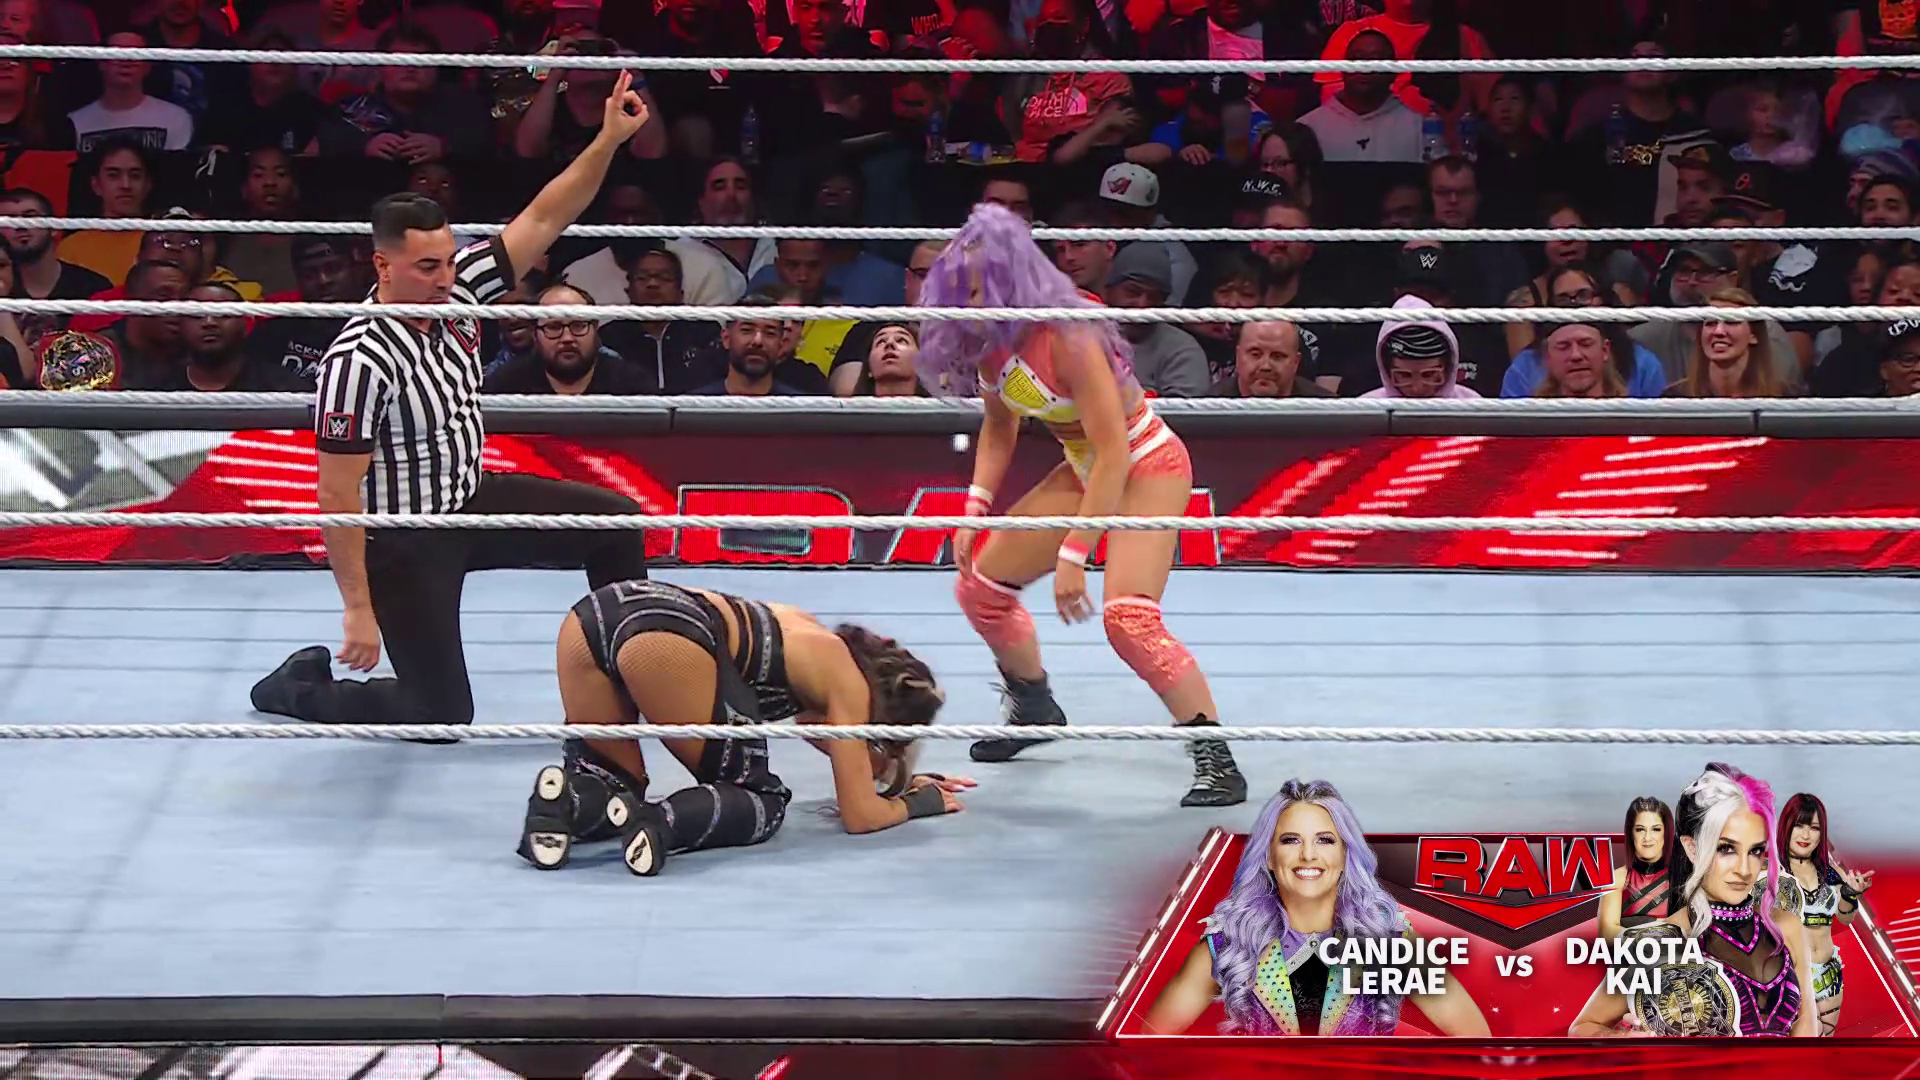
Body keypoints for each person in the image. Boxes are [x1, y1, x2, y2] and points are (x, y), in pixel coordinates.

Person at [249, 74, 657, 741]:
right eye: (427, 268)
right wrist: (357, 609)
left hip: (470, 498)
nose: (445, 279)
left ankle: (629, 674)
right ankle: (298, 688)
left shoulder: (460, 290)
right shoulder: (359, 360)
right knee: (437, 714)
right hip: (404, 539)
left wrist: (608, 139)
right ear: (382, 266)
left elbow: (545, 217)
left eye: (446, 261)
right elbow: (336, 493)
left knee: (614, 523)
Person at [914, 202, 1246, 809]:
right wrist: (975, 505)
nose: (967, 305)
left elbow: (1115, 455)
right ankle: (1033, 705)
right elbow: (999, 426)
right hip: (1085, 466)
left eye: (978, 291)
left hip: (1145, 462)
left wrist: (1074, 553)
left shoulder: (1070, 334)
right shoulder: (991, 341)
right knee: (979, 585)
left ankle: (1215, 758)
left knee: (1129, 620)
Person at [520, 580, 969, 876]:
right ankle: (659, 823)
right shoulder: (850, 685)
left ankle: (562, 803)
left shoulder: (814, 638)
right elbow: (861, 815)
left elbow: (838, 748)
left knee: (615, 784)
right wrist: (917, 804)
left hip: (596, 616)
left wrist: (897, 778)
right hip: (669, 635)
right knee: (761, 800)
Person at [1144, 780, 1491, 1036]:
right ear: (1268, 857)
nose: (1308, 855)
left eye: (1324, 840)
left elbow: (1476, 1037)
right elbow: (1146, 1041)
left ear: (1345, 854)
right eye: (1290, 840)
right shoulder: (1229, 944)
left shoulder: (1389, 940)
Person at [1570, 763, 1819, 1038]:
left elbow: (1807, 1029)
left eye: (1755, 851)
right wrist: (1623, 1040)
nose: (1744, 869)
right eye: (1726, 848)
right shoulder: (1657, 944)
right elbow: (1582, 1028)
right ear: (1691, 847)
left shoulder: (1787, 928)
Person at [1777, 792, 1876, 1035]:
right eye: (1799, 825)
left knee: (1825, 1044)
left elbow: (1845, 918)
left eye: (1814, 828)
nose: (1805, 835)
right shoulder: (1771, 872)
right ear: (1786, 826)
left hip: (1830, 972)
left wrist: (1850, 894)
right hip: (1793, 975)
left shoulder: (1830, 873)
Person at [1598, 795, 1675, 939]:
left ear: (1666, 833)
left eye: (1656, 829)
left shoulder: (1681, 878)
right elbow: (1607, 934)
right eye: (1640, 829)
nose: (1647, 838)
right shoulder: (1617, 879)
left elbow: (1689, 928)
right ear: (1631, 833)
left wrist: (1630, 925)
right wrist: (1660, 925)